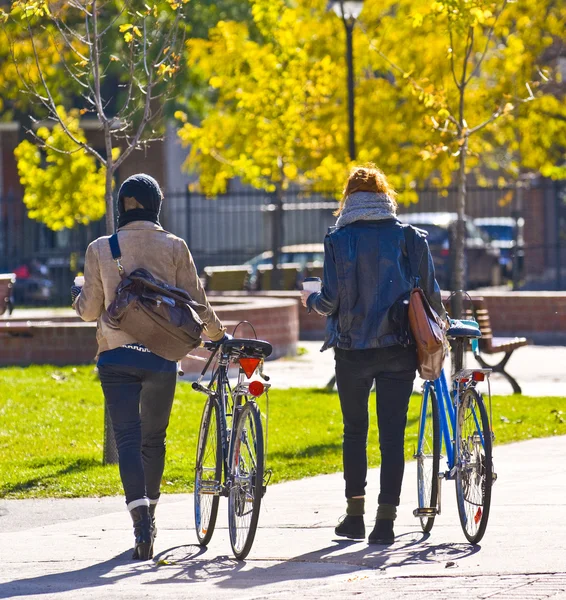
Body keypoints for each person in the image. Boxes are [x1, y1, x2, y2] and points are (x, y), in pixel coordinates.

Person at [74, 173, 226, 560]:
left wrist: (77, 297)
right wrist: (217, 334)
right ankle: (152, 514)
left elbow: (89, 310)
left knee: (126, 438)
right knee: (153, 439)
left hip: (115, 354)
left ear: (120, 205)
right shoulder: (174, 246)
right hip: (161, 355)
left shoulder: (100, 247)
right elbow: (197, 300)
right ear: (157, 204)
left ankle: (139, 520)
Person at [300, 164, 446, 544]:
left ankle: (354, 516)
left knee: (354, 433)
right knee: (392, 437)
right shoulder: (409, 237)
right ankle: (386, 522)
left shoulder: (339, 238)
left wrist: (310, 300)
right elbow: (430, 293)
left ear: (348, 198)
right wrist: (443, 327)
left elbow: (330, 300)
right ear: (384, 195)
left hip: (352, 351)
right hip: (399, 348)